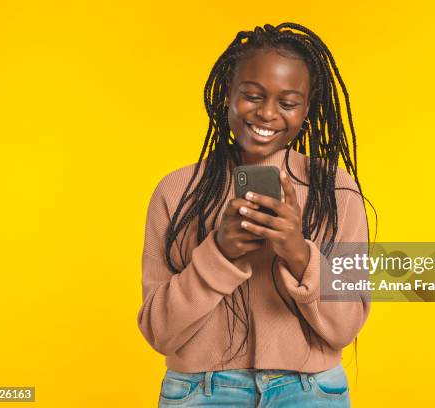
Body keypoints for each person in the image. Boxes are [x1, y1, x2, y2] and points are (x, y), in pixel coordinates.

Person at [138, 22, 372, 407]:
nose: (266, 113)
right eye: (252, 95)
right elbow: (158, 332)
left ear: (307, 111)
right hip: (200, 391)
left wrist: (298, 251)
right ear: (226, 94)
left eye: (288, 102)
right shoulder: (176, 192)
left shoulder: (337, 193)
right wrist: (219, 253)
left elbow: (344, 328)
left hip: (311, 391)